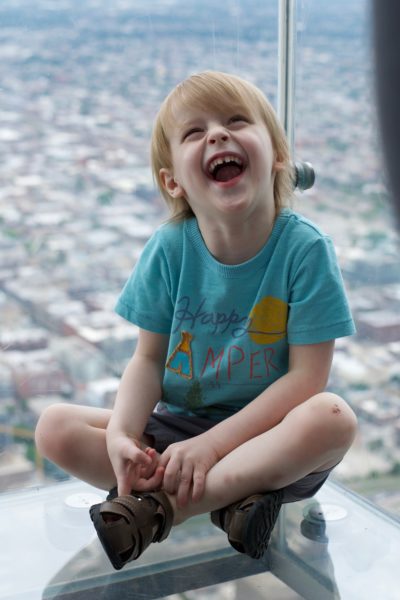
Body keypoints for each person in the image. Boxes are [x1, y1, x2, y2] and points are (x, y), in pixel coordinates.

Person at [35, 71, 357, 571]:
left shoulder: (305, 251)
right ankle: (232, 502)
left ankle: (158, 509)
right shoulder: (169, 250)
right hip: (178, 434)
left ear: (278, 155)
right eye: (194, 132)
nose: (217, 134)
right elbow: (148, 360)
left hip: (271, 440)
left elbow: (307, 381)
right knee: (54, 427)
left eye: (236, 120)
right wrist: (123, 436)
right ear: (174, 182)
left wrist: (212, 448)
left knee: (333, 417)